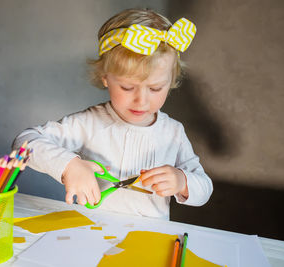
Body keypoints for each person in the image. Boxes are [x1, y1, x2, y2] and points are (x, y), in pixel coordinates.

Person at [12, 8, 213, 220]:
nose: (141, 100)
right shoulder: (89, 123)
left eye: (155, 89)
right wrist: (69, 165)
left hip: (151, 238)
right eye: (127, 87)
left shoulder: (173, 132)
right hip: (90, 231)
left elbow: (205, 188)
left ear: (170, 83)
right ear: (105, 78)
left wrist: (182, 181)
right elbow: (24, 143)